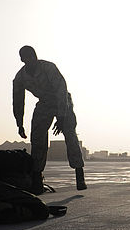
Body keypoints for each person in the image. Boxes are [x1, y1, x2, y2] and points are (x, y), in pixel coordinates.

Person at [13, 45, 86, 193]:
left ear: (35, 55)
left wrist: (61, 116)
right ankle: (37, 178)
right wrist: (19, 124)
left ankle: (79, 173)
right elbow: (18, 101)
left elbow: (61, 89)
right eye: (26, 57)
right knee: (37, 137)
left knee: (70, 135)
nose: (30, 59)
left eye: (32, 56)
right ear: (22, 59)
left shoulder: (48, 68)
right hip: (45, 103)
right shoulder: (20, 78)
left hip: (63, 101)